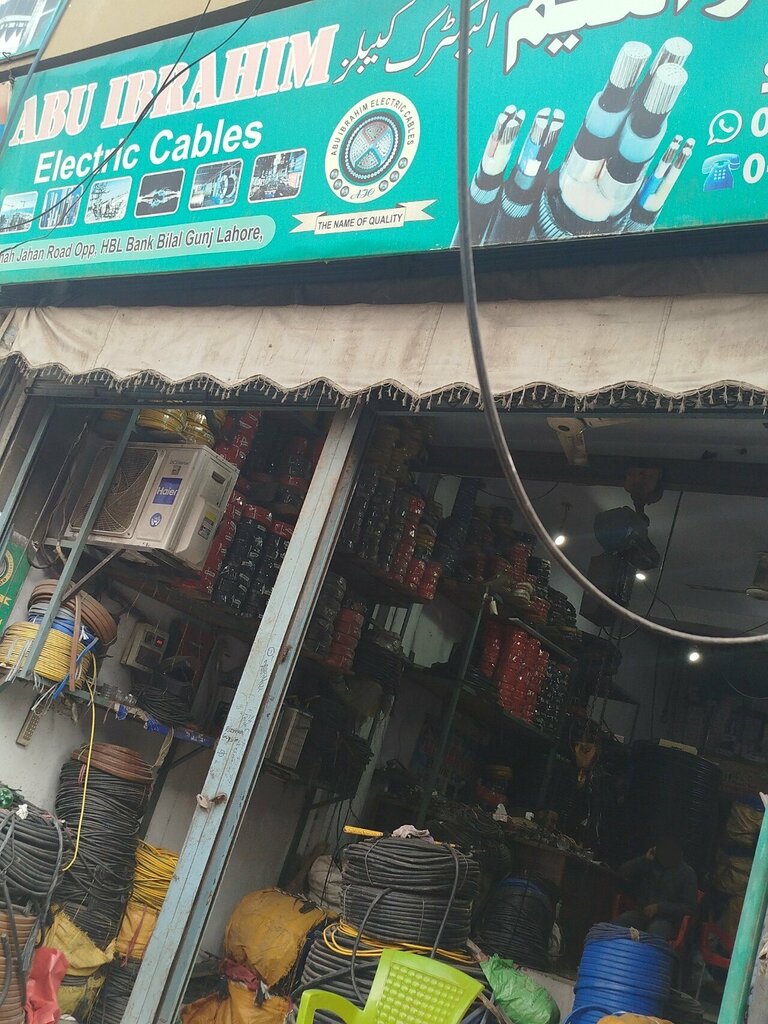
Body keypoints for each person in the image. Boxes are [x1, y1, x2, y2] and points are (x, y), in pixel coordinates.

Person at [613, 835, 698, 939]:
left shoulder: (687, 873)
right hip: (641, 914)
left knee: (654, 934)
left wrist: (660, 908)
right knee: (617, 925)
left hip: (667, 920)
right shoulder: (650, 863)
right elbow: (622, 873)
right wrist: (643, 860)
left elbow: (690, 908)